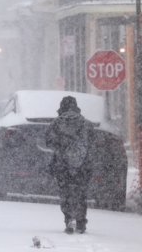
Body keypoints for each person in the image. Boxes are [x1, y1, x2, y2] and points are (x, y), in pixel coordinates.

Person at [45, 96, 96, 234]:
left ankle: (69, 219)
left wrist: (62, 148)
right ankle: (81, 221)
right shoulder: (86, 124)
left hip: (62, 165)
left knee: (66, 192)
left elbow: (48, 141)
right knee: (80, 193)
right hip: (82, 166)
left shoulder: (56, 124)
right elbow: (93, 142)